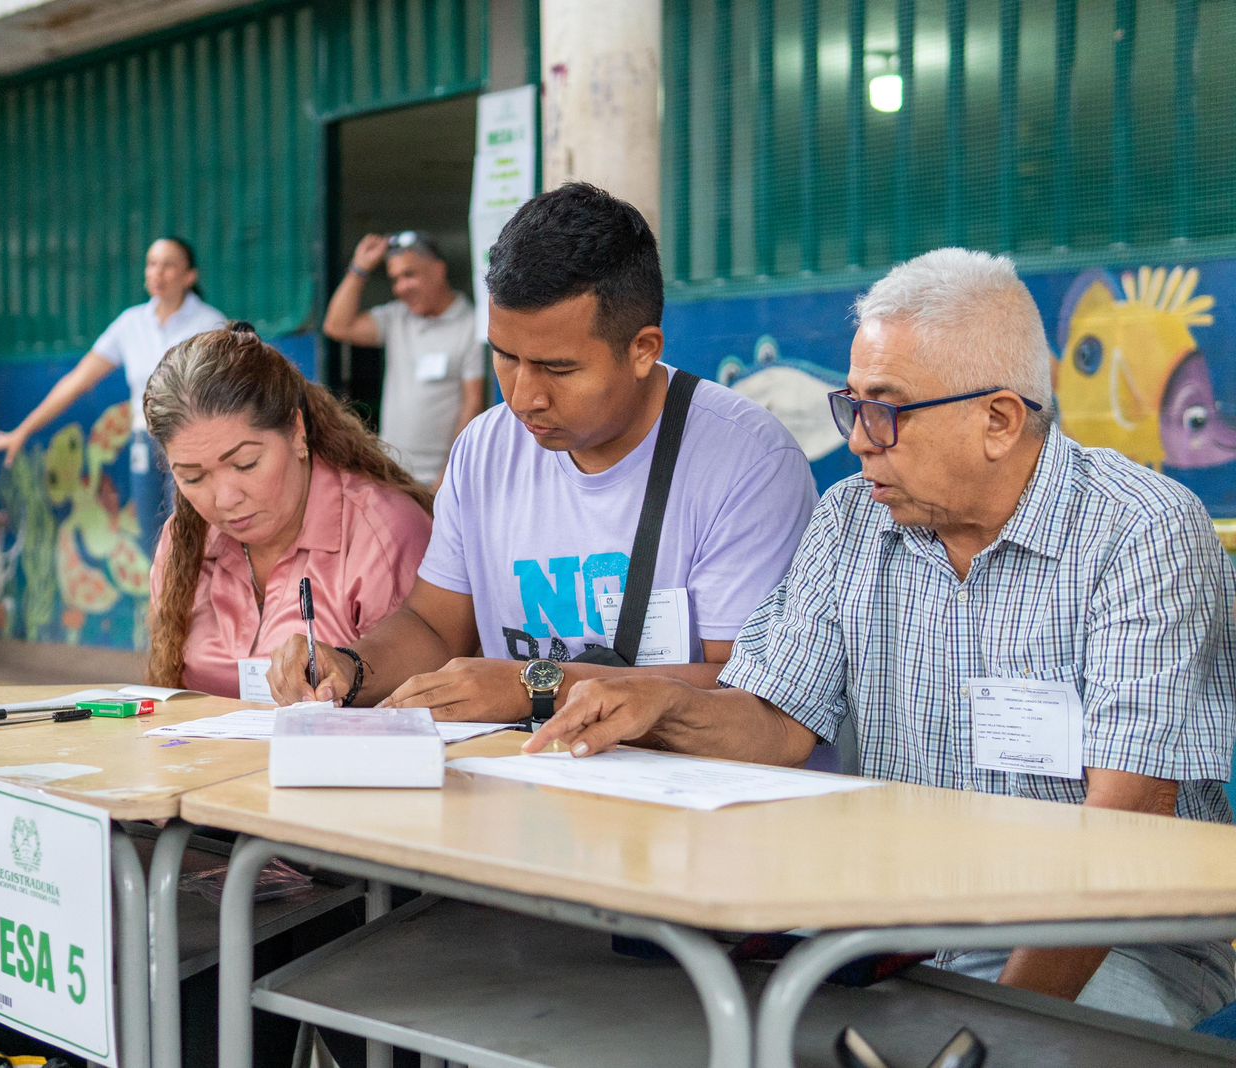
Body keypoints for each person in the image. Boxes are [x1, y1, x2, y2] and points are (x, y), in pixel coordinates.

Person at [528, 247, 1236, 1028]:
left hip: (1121, 936)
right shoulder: (853, 520)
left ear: (998, 420)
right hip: (905, 923)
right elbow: (776, 721)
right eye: (852, 405)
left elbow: (1124, 822)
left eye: (886, 411)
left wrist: (995, 1023)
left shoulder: (1143, 532)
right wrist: (660, 708)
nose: (861, 440)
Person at [270, 183, 817, 719]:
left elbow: (745, 689)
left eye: (558, 368)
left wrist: (535, 686)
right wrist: (349, 666)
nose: (524, 397)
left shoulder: (749, 463)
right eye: (504, 357)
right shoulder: (484, 448)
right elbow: (435, 624)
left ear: (643, 350)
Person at [144, 323, 434, 696]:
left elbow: (420, 699)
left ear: (297, 432)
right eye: (193, 477)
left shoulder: (383, 532)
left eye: (246, 463)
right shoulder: (184, 539)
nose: (225, 498)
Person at [0, 237, 226, 543]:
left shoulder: (211, 324)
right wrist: (23, 431)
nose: (158, 272)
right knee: (155, 547)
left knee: (193, 543)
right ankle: (159, 593)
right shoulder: (130, 324)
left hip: (194, 443)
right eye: (152, 264)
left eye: (169, 265)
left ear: (190, 276)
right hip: (144, 444)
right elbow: (76, 381)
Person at [323, 230, 488, 485]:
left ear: (438, 269)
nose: (401, 288)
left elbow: (473, 406)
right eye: (395, 279)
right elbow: (337, 326)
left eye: (409, 275)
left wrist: (447, 480)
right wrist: (360, 268)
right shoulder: (397, 317)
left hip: (440, 481)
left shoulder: (470, 325)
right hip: (392, 475)